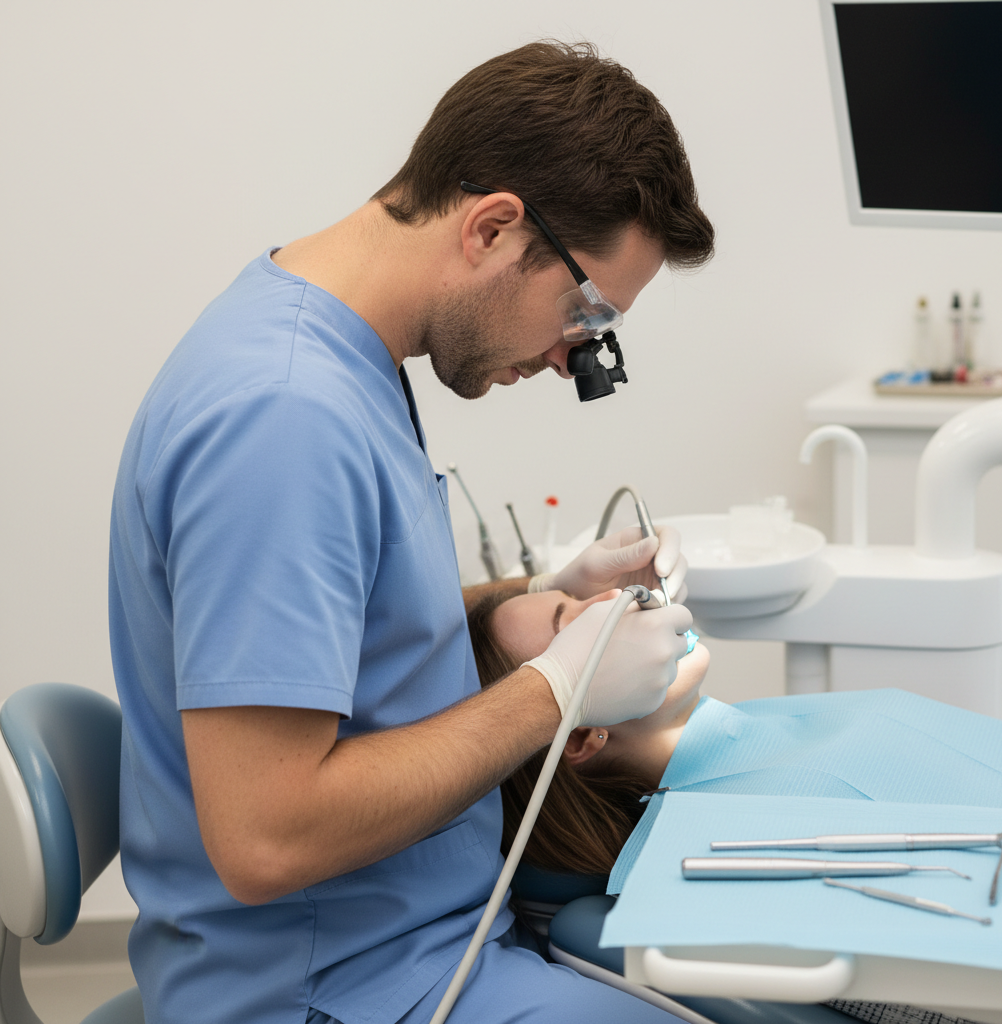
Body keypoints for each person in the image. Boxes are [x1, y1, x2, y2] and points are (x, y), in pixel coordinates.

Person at [109, 40, 715, 1024]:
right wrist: (558, 687)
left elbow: (340, 622)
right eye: (585, 309)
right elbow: (267, 836)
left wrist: (532, 601)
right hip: (335, 989)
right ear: (491, 227)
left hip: (421, 937)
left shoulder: (341, 350)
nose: (577, 358)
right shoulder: (285, 414)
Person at [468, 587, 1002, 880]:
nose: (616, 597)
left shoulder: (754, 725)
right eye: (575, 624)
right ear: (580, 735)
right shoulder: (715, 851)